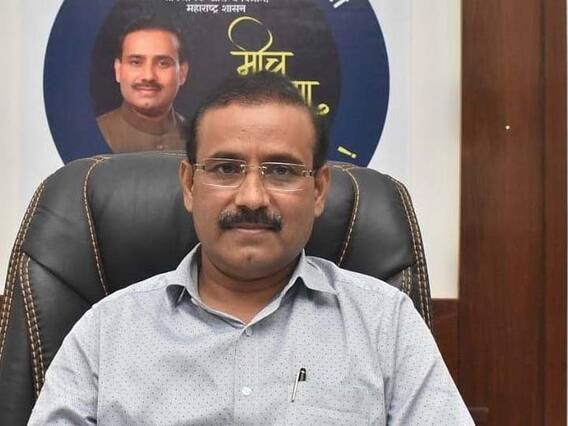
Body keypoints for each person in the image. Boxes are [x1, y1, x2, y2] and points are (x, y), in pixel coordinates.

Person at [29, 72, 474, 425]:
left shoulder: (384, 324)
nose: (252, 198)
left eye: (281, 171)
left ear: (319, 189)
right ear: (189, 185)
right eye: (226, 168)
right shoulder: (107, 331)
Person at [96, 15, 189, 153]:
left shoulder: (198, 137)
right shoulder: (93, 134)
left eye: (163, 63)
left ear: (182, 73)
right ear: (118, 70)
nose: (148, 76)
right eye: (136, 62)